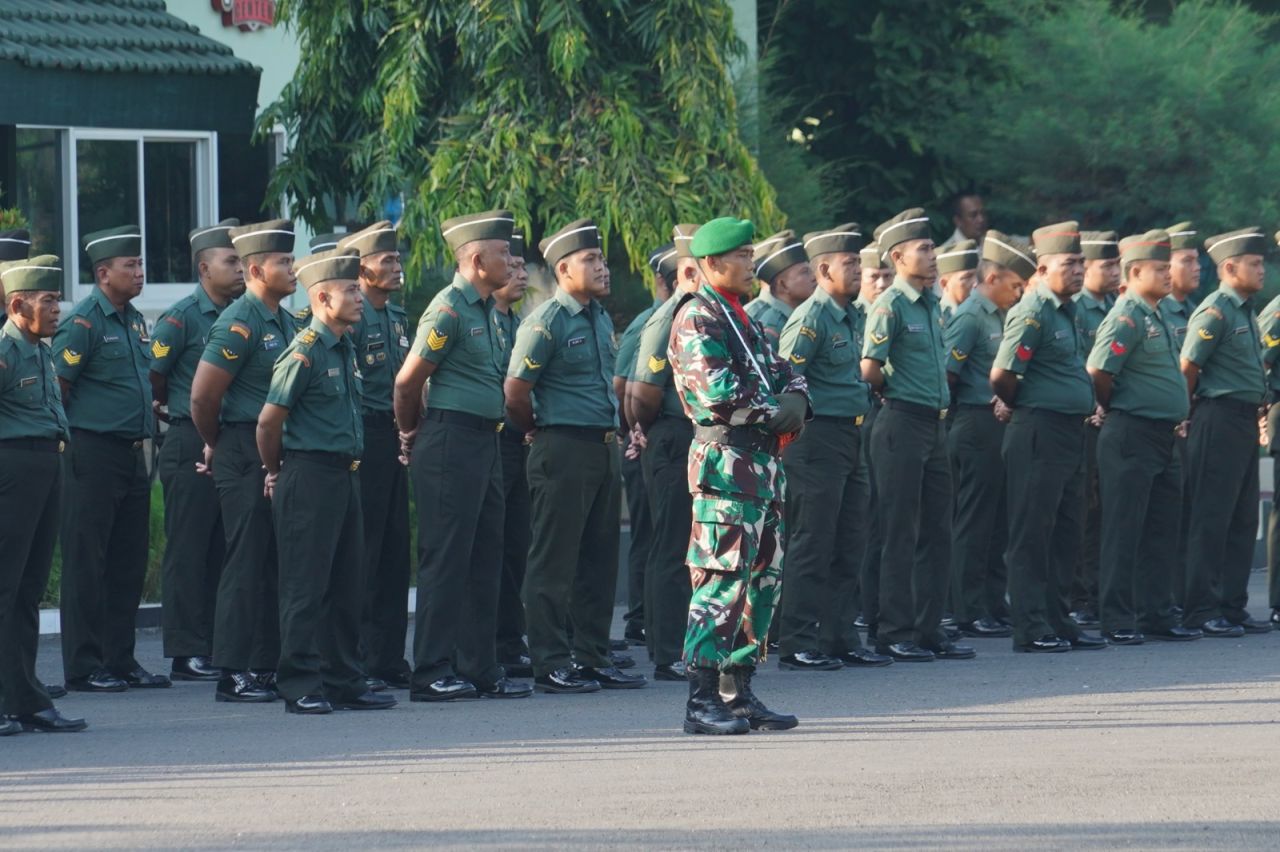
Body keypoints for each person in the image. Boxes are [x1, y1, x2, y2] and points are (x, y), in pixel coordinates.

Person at [669, 215, 808, 735]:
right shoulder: (697, 318)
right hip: (726, 464)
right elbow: (717, 394)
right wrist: (780, 409)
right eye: (743, 255)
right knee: (720, 578)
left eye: (751, 253)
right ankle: (701, 699)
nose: (752, 263)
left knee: (762, 580)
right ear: (711, 263)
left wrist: (796, 397)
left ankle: (737, 689)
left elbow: (788, 369)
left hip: (762, 466)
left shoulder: (742, 319)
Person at [395, 210, 531, 701]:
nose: (512, 261)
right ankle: (431, 669)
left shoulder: (487, 312)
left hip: (485, 442)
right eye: (502, 254)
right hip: (450, 440)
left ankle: (479, 665)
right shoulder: (449, 310)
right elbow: (407, 382)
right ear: (476, 260)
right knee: (447, 559)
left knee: (485, 557)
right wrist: (411, 431)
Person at [506, 218, 646, 694]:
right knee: (554, 560)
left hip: (601, 448)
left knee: (599, 559)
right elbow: (516, 391)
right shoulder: (546, 321)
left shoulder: (598, 317)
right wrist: (537, 431)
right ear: (564, 269)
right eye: (591, 260)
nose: (603, 267)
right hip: (561, 447)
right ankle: (550, 660)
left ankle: (592, 655)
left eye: (602, 259)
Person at [255, 249, 396, 715]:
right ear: (321, 297)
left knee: (346, 582)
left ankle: (343, 677)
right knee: (305, 584)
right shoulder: (304, 353)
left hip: (344, 475)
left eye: (358, 288)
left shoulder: (345, 346)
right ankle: (299, 682)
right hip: (308, 474)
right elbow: (268, 423)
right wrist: (277, 471)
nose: (359, 296)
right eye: (350, 290)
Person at [54, 225, 168, 692]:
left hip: (133, 453)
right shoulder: (83, 323)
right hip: (92, 452)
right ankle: (84, 666)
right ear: (104, 274)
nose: (139, 273)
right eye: (130, 266)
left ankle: (120, 659)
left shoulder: (135, 320)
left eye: (140, 265)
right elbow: (58, 389)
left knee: (127, 560)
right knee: (88, 562)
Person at [191, 219, 298, 703]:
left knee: (273, 561)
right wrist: (219, 441)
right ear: (257, 269)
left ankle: (266, 664)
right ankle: (231, 672)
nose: (293, 270)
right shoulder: (240, 320)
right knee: (245, 561)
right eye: (283, 262)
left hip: (271, 448)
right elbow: (202, 398)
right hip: (241, 446)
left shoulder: (284, 319)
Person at [776, 224, 891, 671]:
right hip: (815, 438)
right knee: (812, 541)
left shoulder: (854, 314)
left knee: (849, 540)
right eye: (850, 263)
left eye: (859, 262)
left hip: (851, 434)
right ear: (824, 268)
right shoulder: (811, 317)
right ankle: (798, 640)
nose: (859, 271)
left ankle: (839, 636)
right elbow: (785, 379)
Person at [861, 208, 973, 663]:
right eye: (924, 249)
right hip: (901, 422)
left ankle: (929, 627)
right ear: (897, 257)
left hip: (935, 423)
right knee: (899, 530)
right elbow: (870, 368)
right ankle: (894, 629)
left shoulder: (932, 304)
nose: (933, 256)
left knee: (936, 530)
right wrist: (898, 394)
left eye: (932, 248)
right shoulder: (891, 304)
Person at [990, 222, 1107, 653]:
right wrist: (1027, 404)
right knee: (1032, 532)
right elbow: (1002, 375)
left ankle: (1059, 619)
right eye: (1069, 262)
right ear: (1042, 267)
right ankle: (1031, 626)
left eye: (1081, 262)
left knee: (1066, 532)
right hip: (1038, 430)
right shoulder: (1032, 311)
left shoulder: (1066, 309)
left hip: (1068, 433)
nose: (1079, 269)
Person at [1086, 230, 1201, 645]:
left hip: (1163, 436)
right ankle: (1116, 616)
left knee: (1162, 528)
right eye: (1158, 268)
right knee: (1124, 529)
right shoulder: (1126, 316)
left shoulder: (1157, 314)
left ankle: (1156, 612)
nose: (1168, 274)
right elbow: (1100, 372)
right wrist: (1119, 407)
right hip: (1131, 433)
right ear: (1135, 272)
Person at [150, 219, 244, 683]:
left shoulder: (243, 312)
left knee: (223, 546)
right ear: (205, 267)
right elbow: (154, 375)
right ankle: (186, 650)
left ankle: (214, 642)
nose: (241, 268)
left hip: (229, 440)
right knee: (189, 546)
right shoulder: (183, 316)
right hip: (190, 436)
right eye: (231, 261)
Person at [0, 256, 86, 733]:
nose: (58, 309)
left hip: (44, 466)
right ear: (18, 305)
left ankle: (24, 697)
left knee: (28, 590)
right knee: (4, 588)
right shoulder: (6, 351)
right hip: (12, 467)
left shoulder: (40, 349)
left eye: (57, 299)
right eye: (48, 300)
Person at [1179, 228, 1273, 636]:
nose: (1262, 269)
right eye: (1254, 263)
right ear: (1230, 267)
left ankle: (1232, 605)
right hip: (1216, 417)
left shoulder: (1246, 310)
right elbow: (1188, 367)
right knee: (1211, 517)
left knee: (1240, 516)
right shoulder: (1216, 310)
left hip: (1242, 420)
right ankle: (1201, 607)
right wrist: (1184, 414)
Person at [944, 231, 1033, 639]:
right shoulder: (970, 316)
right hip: (974, 423)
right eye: (1015, 284)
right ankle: (968, 606)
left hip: (999, 423)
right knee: (975, 521)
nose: (1019, 292)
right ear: (993, 277)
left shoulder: (1000, 315)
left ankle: (994, 602)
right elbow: (948, 375)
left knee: (999, 519)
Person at [626, 224, 701, 682]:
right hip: (671, 435)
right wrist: (646, 429)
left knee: (690, 548)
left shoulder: (705, 312)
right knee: (670, 547)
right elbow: (640, 391)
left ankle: (683, 642)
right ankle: (666, 649)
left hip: (695, 435)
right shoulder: (668, 315)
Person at [339, 221, 412, 690]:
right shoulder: (351, 316)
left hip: (394, 438)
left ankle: (388, 657)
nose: (396, 265)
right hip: (361, 437)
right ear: (362, 269)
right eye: (386, 260)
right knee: (362, 550)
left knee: (393, 551)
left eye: (397, 258)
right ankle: (360, 657)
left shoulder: (398, 317)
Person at [613, 245, 677, 649]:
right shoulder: (649, 322)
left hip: (651, 434)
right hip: (647, 437)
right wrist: (634, 432)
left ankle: (649, 616)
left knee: (660, 534)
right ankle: (640, 616)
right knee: (650, 535)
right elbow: (625, 385)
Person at [1069, 230, 1120, 627]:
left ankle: (1102, 589)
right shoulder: (1076, 309)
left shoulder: (1115, 307)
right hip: (1085, 420)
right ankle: (1080, 595)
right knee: (1084, 509)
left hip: (1111, 421)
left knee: (1105, 509)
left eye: (1118, 263)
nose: (1115, 271)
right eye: (1107, 265)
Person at [493, 231, 533, 676]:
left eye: (522, 266)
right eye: (513, 265)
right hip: (492, 439)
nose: (519, 273)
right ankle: (498, 639)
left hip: (514, 440)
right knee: (495, 545)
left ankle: (509, 636)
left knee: (514, 543)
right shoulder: (477, 318)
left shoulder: (513, 323)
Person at [855, 242, 893, 635]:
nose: (881, 283)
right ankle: (863, 605)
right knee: (865, 519)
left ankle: (877, 603)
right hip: (861, 422)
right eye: (874, 276)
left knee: (883, 517)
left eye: (886, 275)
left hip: (882, 418)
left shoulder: (891, 311)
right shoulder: (857, 315)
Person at [1163, 222, 1199, 612]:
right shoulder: (1152, 313)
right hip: (1168, 421)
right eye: (1185, 260)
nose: (1196, 267)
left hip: (1184, 421)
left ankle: (1176, 599)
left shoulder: (1190, 309)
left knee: (1180, 513)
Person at [745, 229, 814, 345]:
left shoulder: (800, 311)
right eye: (805, 272)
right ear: (782, 284)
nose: (814, 277)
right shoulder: (761, 319)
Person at [936, 239, 979, 324]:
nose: (976, 283)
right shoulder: (937, 318)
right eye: (967, 277)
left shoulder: (981, 313)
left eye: (978, 275)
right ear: (944, 284)